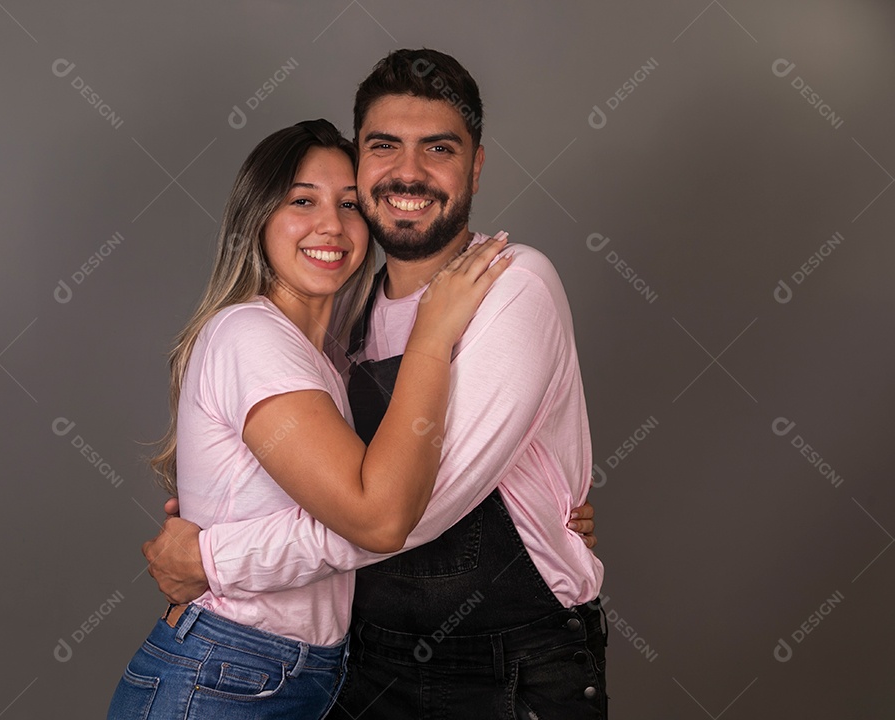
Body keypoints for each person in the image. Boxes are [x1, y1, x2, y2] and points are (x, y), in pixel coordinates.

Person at [142, 49, 607, 719]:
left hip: (505, 669)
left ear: (475, 166)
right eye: (385, 147)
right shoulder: (340, 320)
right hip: (365, 664)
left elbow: (403, 514)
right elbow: (347, 492)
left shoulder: (511, 287)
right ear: (362, 163)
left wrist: (212, 558)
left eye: (438, 148)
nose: (409, 173)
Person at [107, 118, 515, 720]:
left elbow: (397, 487)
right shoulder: (252, 335)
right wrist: (433, 331)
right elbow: (377, 516)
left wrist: (524, 520)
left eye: (351, 204)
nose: (331, 225)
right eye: (303, 201)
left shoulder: (326, 360)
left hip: (289, 675)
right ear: (259, 219)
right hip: (229, 674)